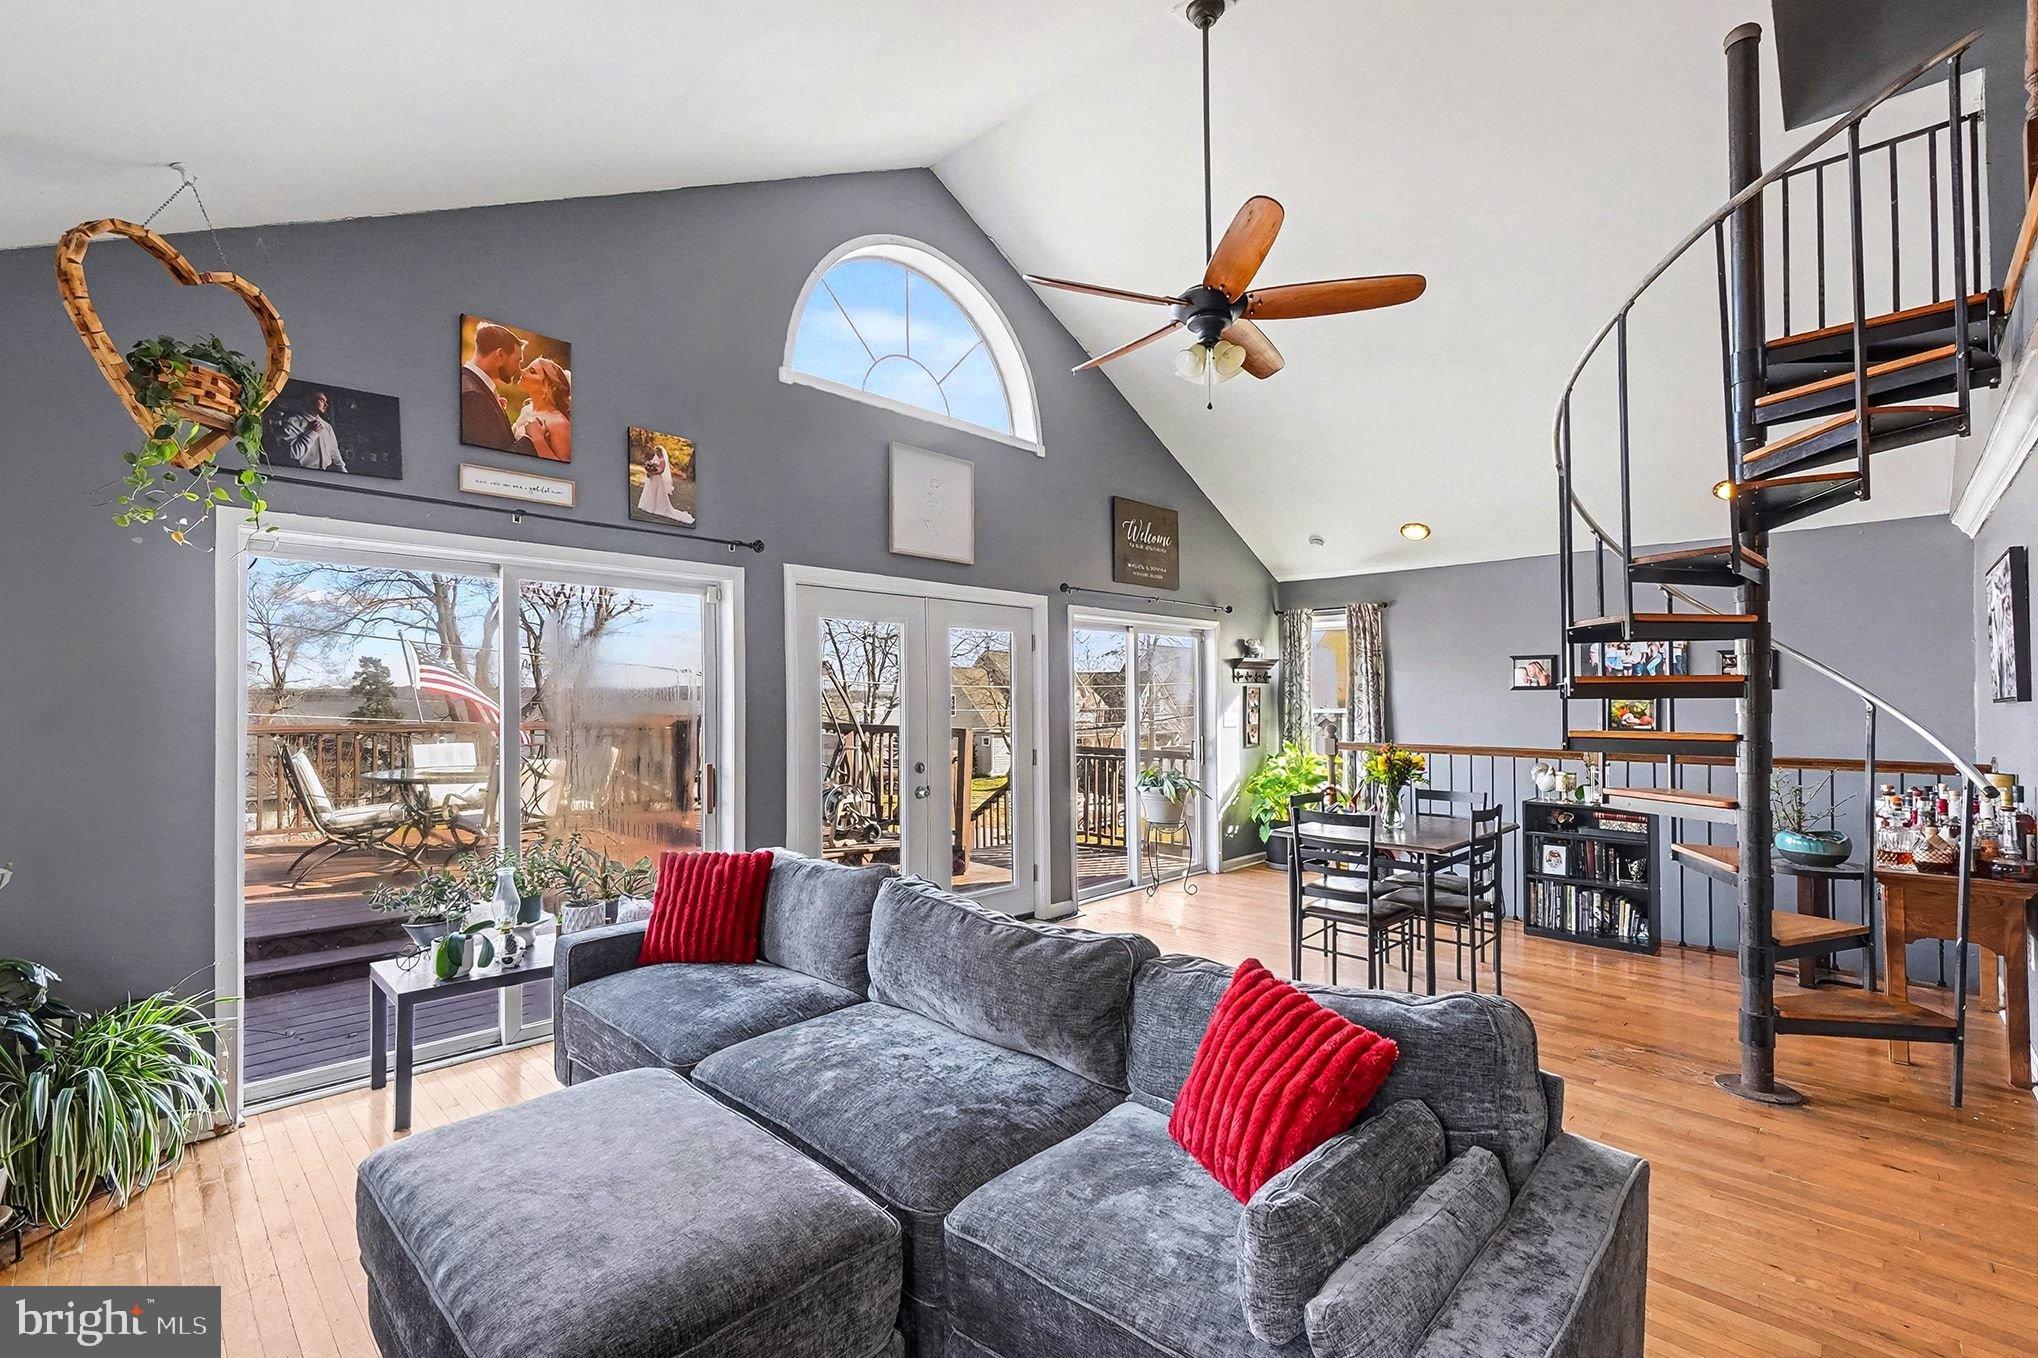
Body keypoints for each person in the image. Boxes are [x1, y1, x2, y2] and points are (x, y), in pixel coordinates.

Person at [460, 322, 538, 456]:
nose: (518, 369)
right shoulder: (473, 395)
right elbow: (493, 459)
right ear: (500, 354)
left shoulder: (474, 386)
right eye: (518, 361)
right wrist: (531, 438)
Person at [512, 357, 572, 462]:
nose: (522, 370)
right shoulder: (527, 409)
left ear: (548, 386)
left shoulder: (560, 423)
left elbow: (562, 471)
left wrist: (538, 439)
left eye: (532, 371)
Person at [277, 390, 347, 472]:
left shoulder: (327, 427)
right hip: (302, 474)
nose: (326, 405)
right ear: (309, 401)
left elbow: (334, 450)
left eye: (326, 402)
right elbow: (293, 454)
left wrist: (343, 470)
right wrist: (311, 433)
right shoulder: (293, 422)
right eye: (321, 400)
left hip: (326, 475)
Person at [635, 443, 694, 524]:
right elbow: (651, 464)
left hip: (657, 480)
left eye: (657, 452)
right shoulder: (655, 458)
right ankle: (647, 506)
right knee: (650, 492)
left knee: (657, 494)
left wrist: (652, 472)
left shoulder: (662, 461)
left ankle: (656, 508)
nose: (656, 453)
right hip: (652, 479)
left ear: (660, 452)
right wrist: (648, 468)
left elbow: (661, 471)